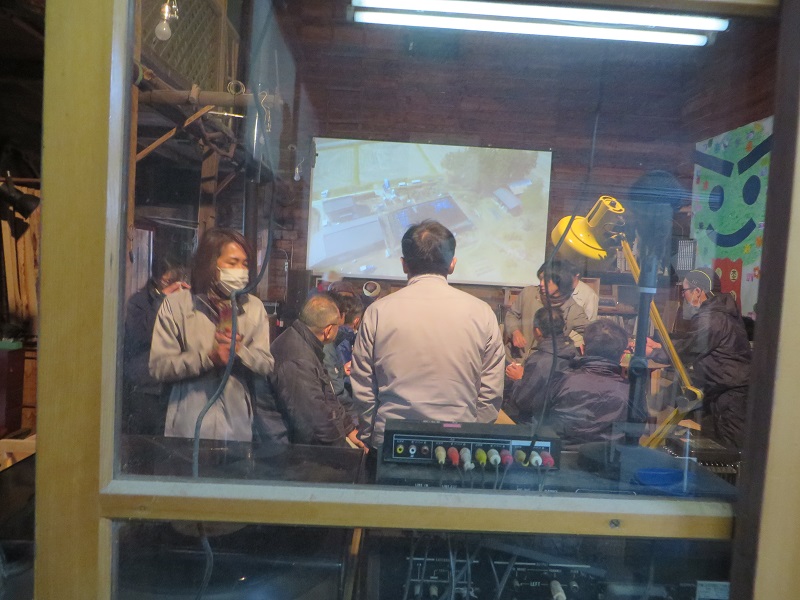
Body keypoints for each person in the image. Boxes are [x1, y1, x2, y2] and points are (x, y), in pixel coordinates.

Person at [350, 220, 505, 448]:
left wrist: (371, 435)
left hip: (390, 441)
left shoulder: (377, 312)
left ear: (404, 265)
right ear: (452, 264)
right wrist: (472, 433)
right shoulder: (482, 313)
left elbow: (363, 385)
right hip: (458, 441)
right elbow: (491, 392)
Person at [149, 228, 274, 442]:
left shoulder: (254, 308)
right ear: (211, 264)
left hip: (237, 430)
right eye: (232, 263)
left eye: (245, 264)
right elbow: (158, 367)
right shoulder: (177, 305)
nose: (241, 270)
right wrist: (208, 359)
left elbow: (266, 364)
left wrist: (240, 353)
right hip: (188, 430)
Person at [650, 267, 751, 449]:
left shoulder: (712, 318)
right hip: (724, 390)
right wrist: (660, 345)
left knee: (729, 452)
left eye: (685, 291)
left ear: (698, 291)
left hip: (729, 396)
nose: (683, 296)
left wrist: (652, 352)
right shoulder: (721, 313)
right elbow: (692, 342)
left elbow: (687, 351)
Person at [269, 294, 363, 447]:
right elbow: (314, 425)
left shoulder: (305, 341)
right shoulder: (298, 360)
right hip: (287, 449)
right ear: (328, 330)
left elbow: (329, 397)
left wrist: (350, 429)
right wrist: (345, 451)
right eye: (338, 326)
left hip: (303, 443)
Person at [547, 320, 648, 449]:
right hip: (610, 459)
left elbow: (540, 420)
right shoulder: (632, 392)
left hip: (561, 457)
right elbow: (636, 432)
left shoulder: (560, 381)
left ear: (582, 349)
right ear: (622, 356)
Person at [122, 257, 189, 435]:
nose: (175, 286)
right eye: (169, 281)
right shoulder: (139, 302)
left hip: (176, 386)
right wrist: (162, 301)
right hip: (146, 387)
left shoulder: (187, 302)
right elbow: (138, 335)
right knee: (143, 440)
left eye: (179, 280)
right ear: (158, 278)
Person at [503, 307, 577, 425]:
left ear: (537, 331)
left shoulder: (538, 361)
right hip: (564, 421)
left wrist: (519, 379)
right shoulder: (574, 352)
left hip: (537, 425)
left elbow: (524, 401)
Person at [504, 259, 589, 361]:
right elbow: (512, 314)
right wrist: (515, 331)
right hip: (513, 358)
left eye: (546, 280)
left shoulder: (573, 310)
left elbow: (592, 333)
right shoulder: (529, 293)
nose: (541, 283)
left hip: (541, 364)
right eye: (540, 279)